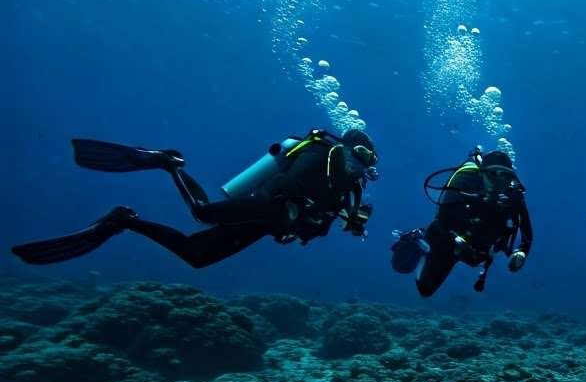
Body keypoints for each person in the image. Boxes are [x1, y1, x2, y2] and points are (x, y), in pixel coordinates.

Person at [12, 129, 378, 268]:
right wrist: (313, 211)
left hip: (270, 223)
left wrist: (350, 220)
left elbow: (324, 222)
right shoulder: (318, 156)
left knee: (196, 256)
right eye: (356, 156)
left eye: (365, 162)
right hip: (270, 207)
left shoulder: (350, 186)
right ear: (344, 148)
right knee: (202, 213)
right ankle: (168, 163)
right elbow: (296, 186)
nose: (359, 165)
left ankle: (123, 220)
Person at [392, 148, 532, 296]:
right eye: (493, 174)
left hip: (477, 252)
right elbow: (444, 217)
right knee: (424, 289)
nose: (499, 181)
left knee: (428, 288)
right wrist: (485, 202)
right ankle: (419, 240)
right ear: (482, 173)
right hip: (449, 240)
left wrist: (521, 252)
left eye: (505, 176)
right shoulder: (466, 179)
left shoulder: (514, 197)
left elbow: (527, 232)